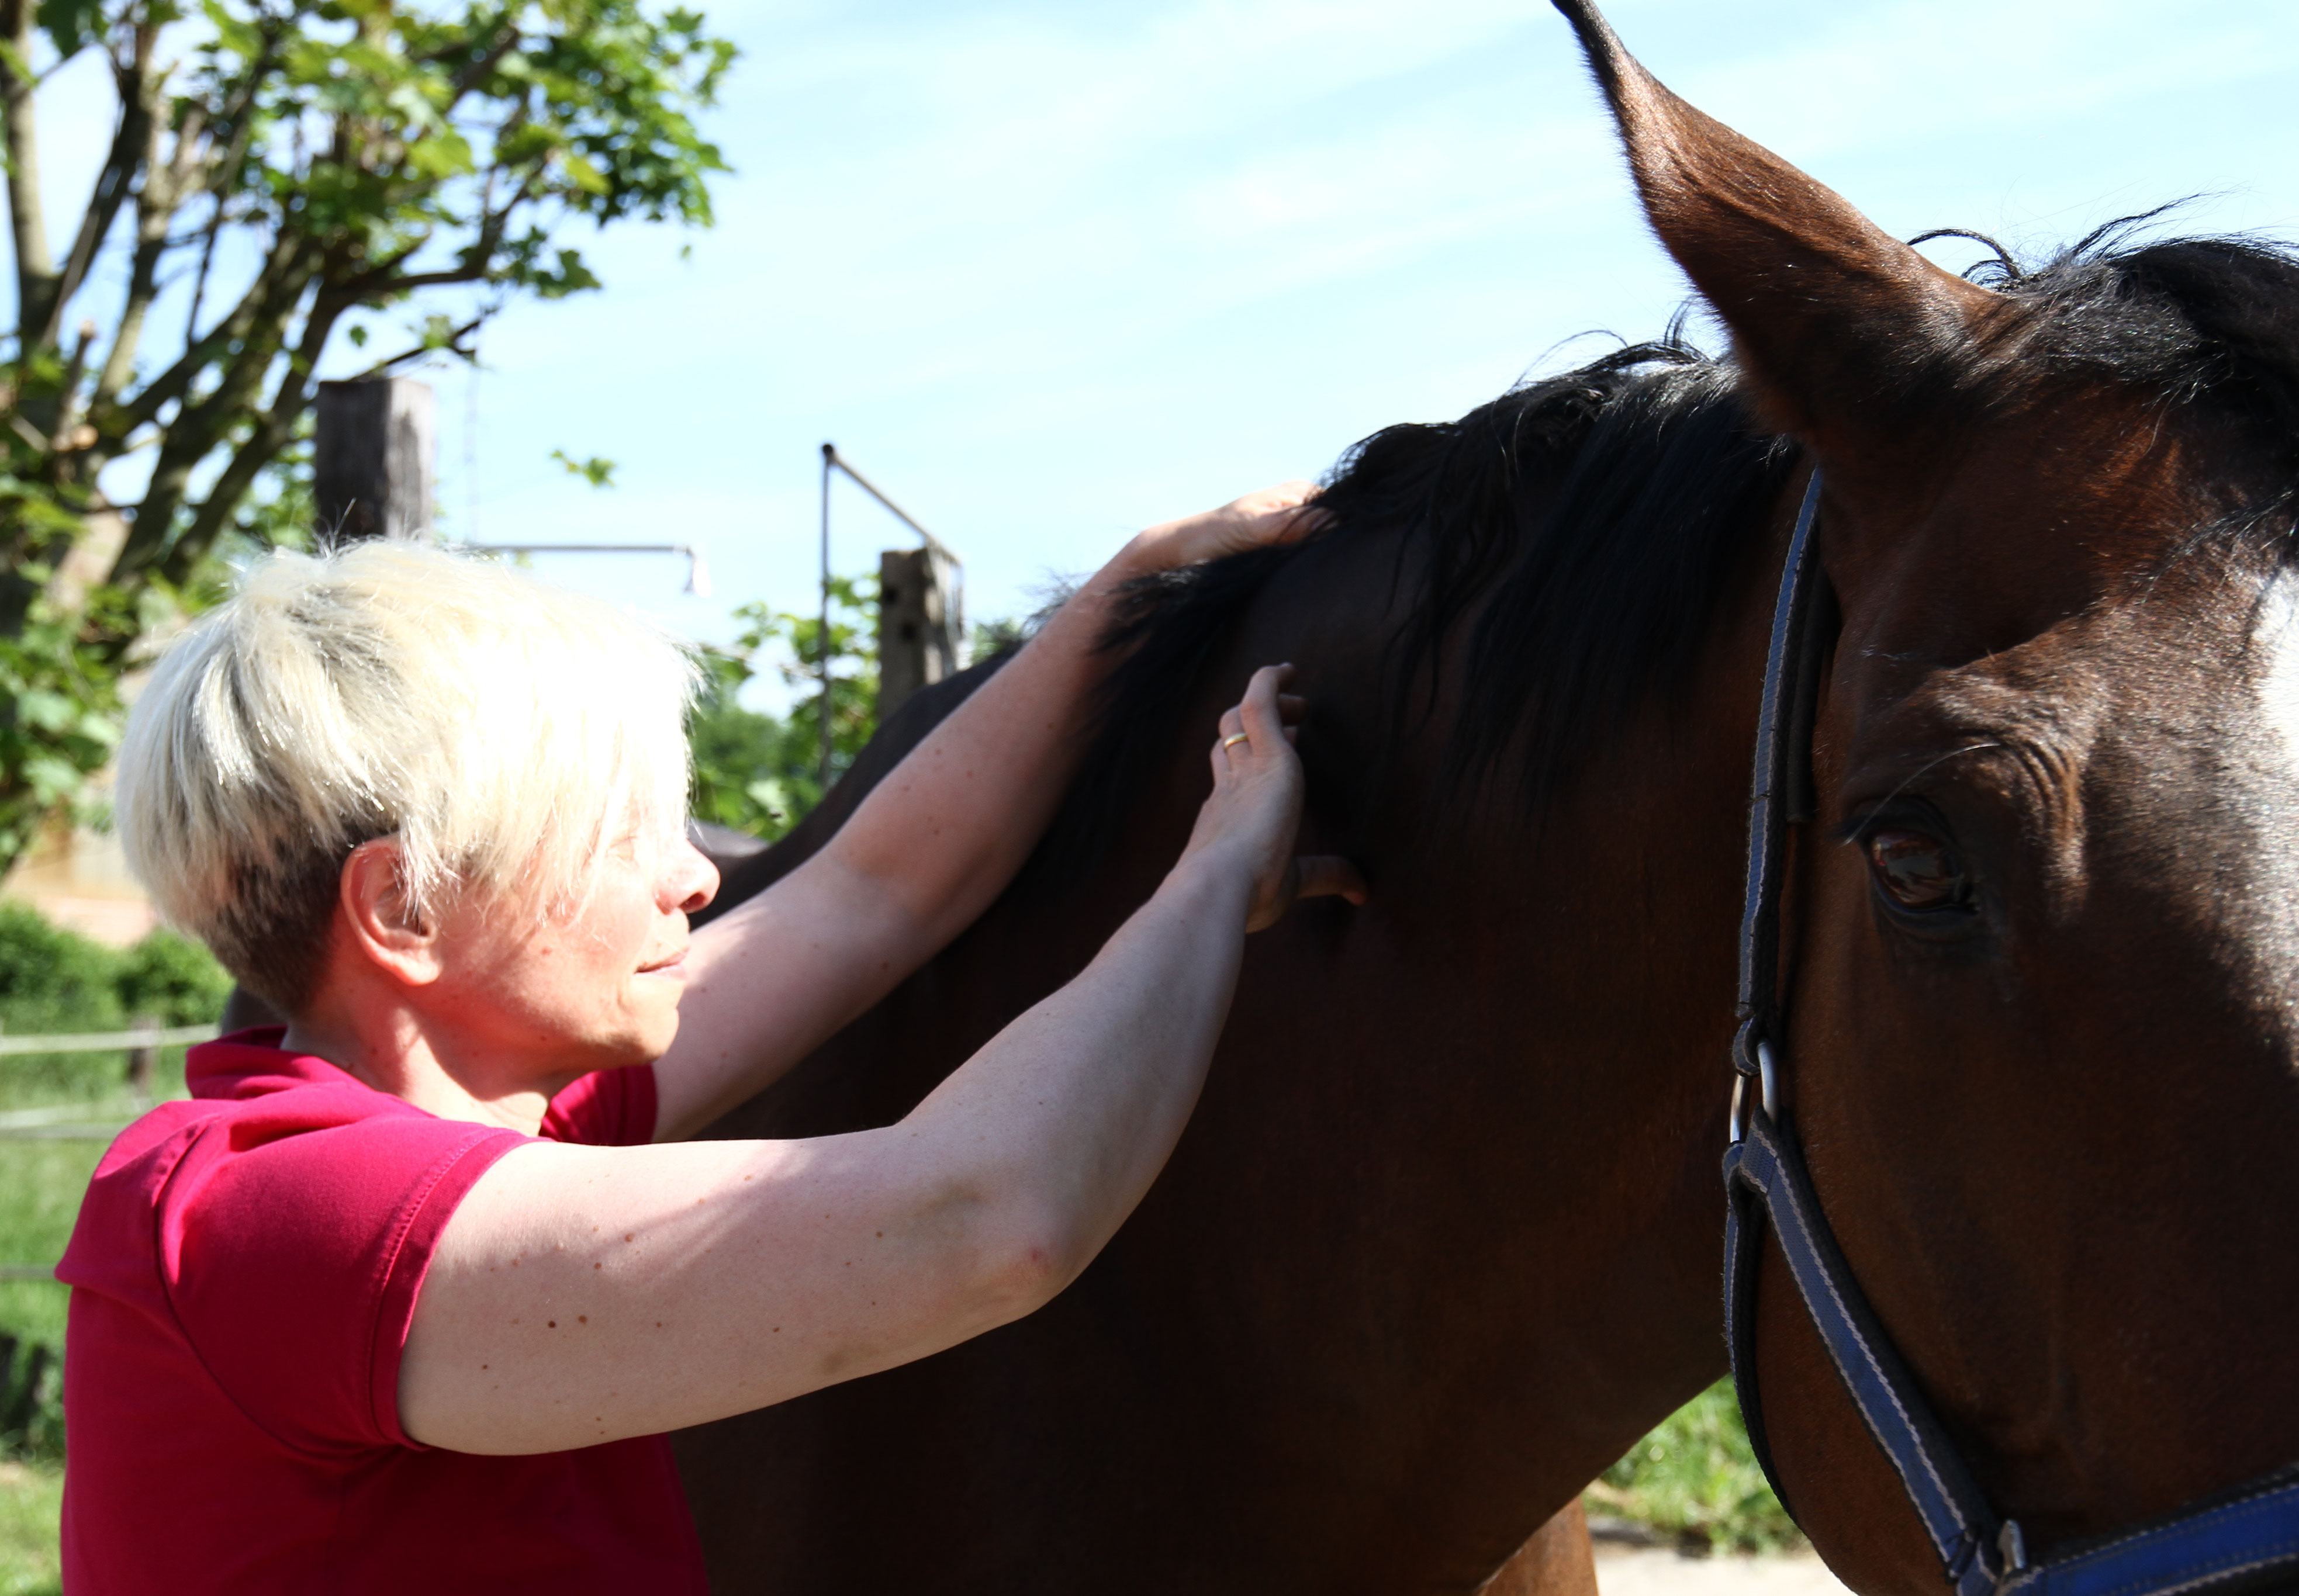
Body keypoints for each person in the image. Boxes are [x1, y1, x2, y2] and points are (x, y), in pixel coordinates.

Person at [56, 485, 1365, 1594]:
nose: (690, 875)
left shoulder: (507, 1116)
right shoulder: (280, 1209)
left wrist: (1122, 597)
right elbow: (984, 1215)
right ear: (404, 906)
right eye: (617, 831)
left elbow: (873, 895)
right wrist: (1214, 873)